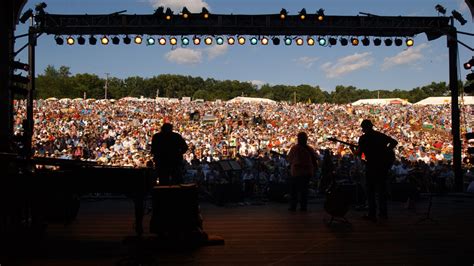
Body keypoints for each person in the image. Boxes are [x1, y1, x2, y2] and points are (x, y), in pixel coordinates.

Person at [352, 119, 398, 222]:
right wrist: (386, 151)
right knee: (382, 190)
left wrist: (353, 150)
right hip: (382, 166)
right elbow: (394, 142)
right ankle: (383, 213)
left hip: (372, 166)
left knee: (370, 191)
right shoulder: (380, 135)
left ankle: (372, 214)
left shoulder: (363, 138)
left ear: (364, 128)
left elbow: (359, 154)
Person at [287, 132, 318, 212]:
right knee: (304, 191)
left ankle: (293, 206)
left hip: (296, 173)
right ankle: (303, 207)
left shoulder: (295, 148)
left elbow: (289, 159)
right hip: (306, 173)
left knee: (294, 191)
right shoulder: (309, 149)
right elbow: (316, 158)